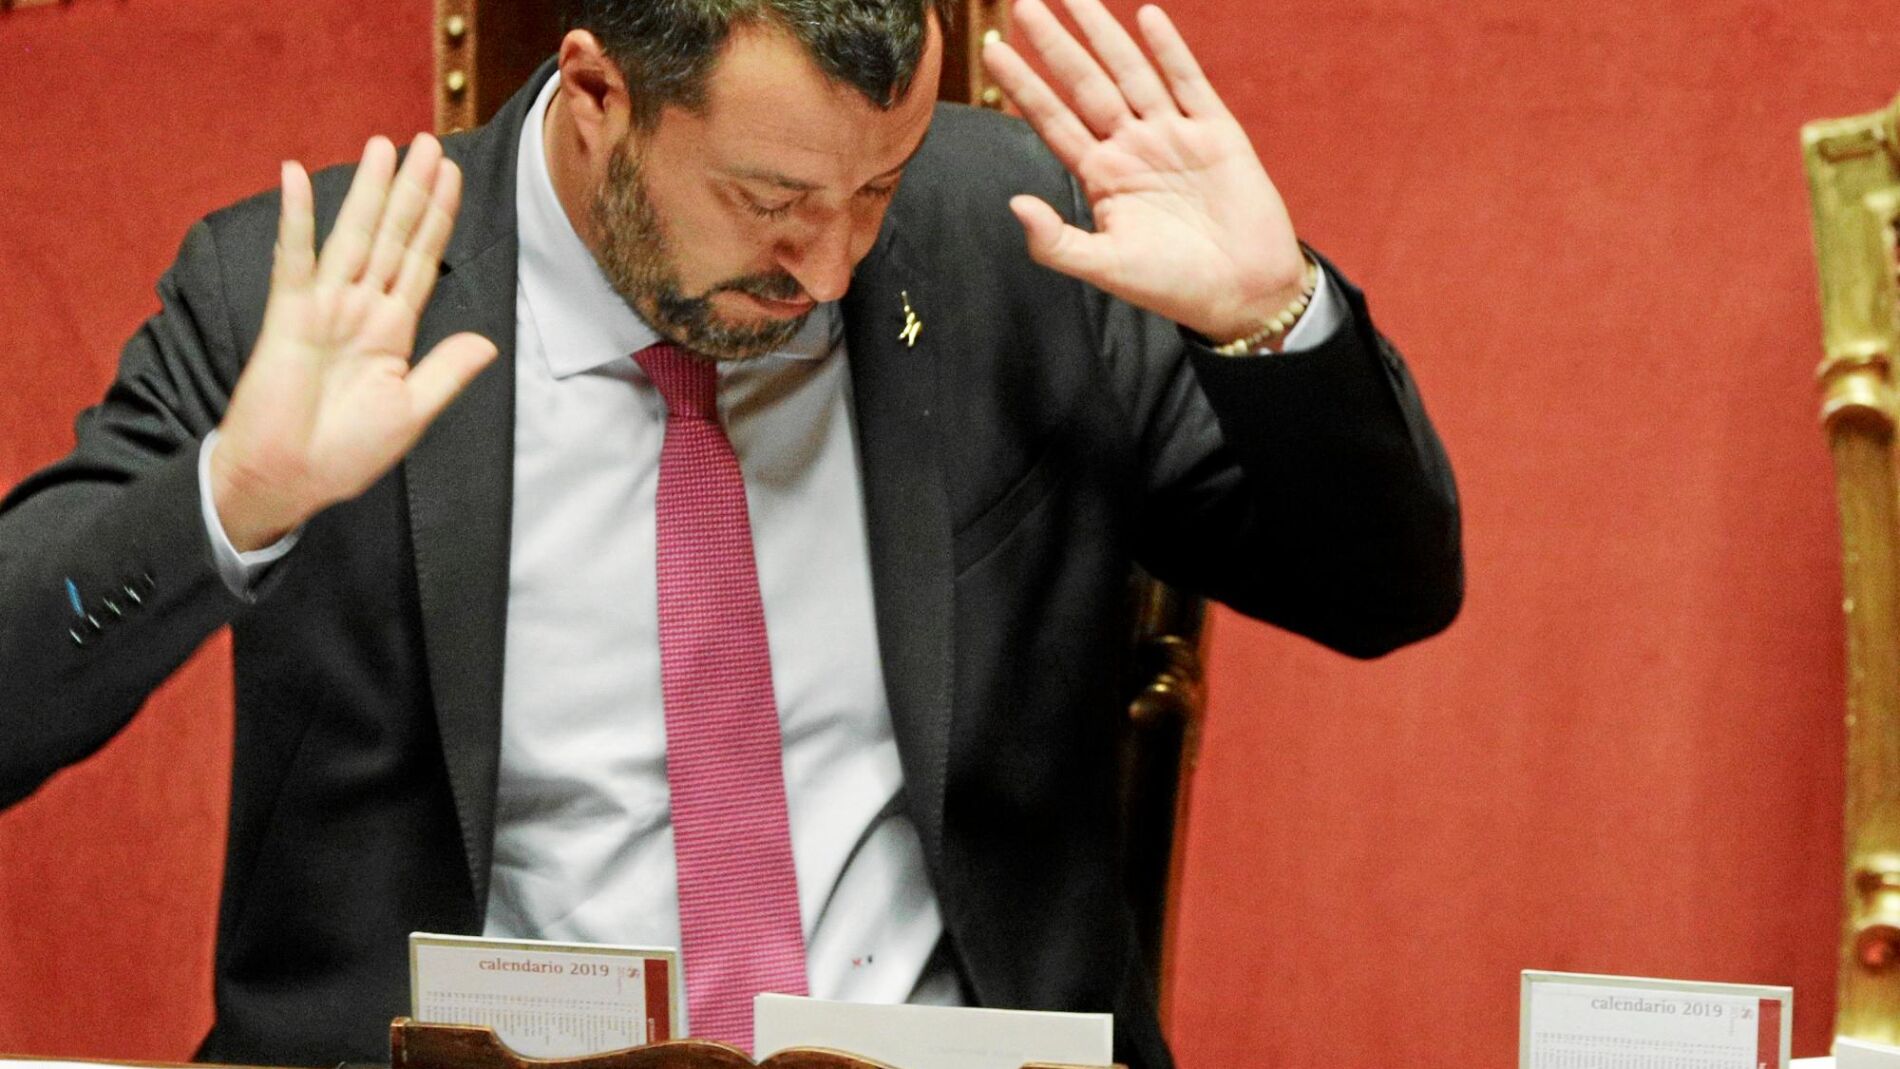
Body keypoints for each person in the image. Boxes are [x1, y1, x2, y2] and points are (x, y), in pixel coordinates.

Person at [0, 0, 1461, 1066]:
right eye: (771, 204)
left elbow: (1387, 589)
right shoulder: (311, 291)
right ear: (597, 93)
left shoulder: (1011, 237)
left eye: (874, 189)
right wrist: (227, 504)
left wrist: (1273, 321)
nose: (829, 269)